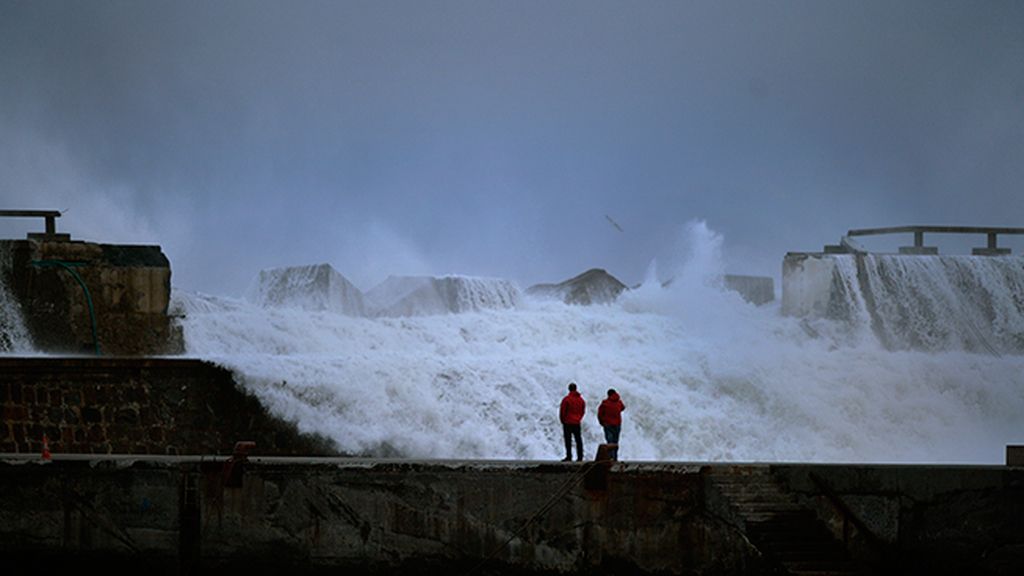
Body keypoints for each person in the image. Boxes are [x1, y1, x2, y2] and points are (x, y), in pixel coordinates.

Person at [559, 382, 586, 462]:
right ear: (576, 389)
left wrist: (562, 420)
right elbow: (583, 411)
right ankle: (580, 457)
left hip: (567, 422)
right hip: (577, 422)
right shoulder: (581, 400)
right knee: (578, 440)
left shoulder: (566, 399)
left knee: (568, 440)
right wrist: (579, 418)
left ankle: (569, 456)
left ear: (569, 389)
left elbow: (562, 411)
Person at [597, 388, 625, 461]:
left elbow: (600, 414)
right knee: (615, 442)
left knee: (610, 441)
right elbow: (623, 408)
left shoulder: (605, 403)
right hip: (617, 424)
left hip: (608, 424)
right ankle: (615, 457)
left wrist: (601, 422)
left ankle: (610, 457)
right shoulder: (619, 402)